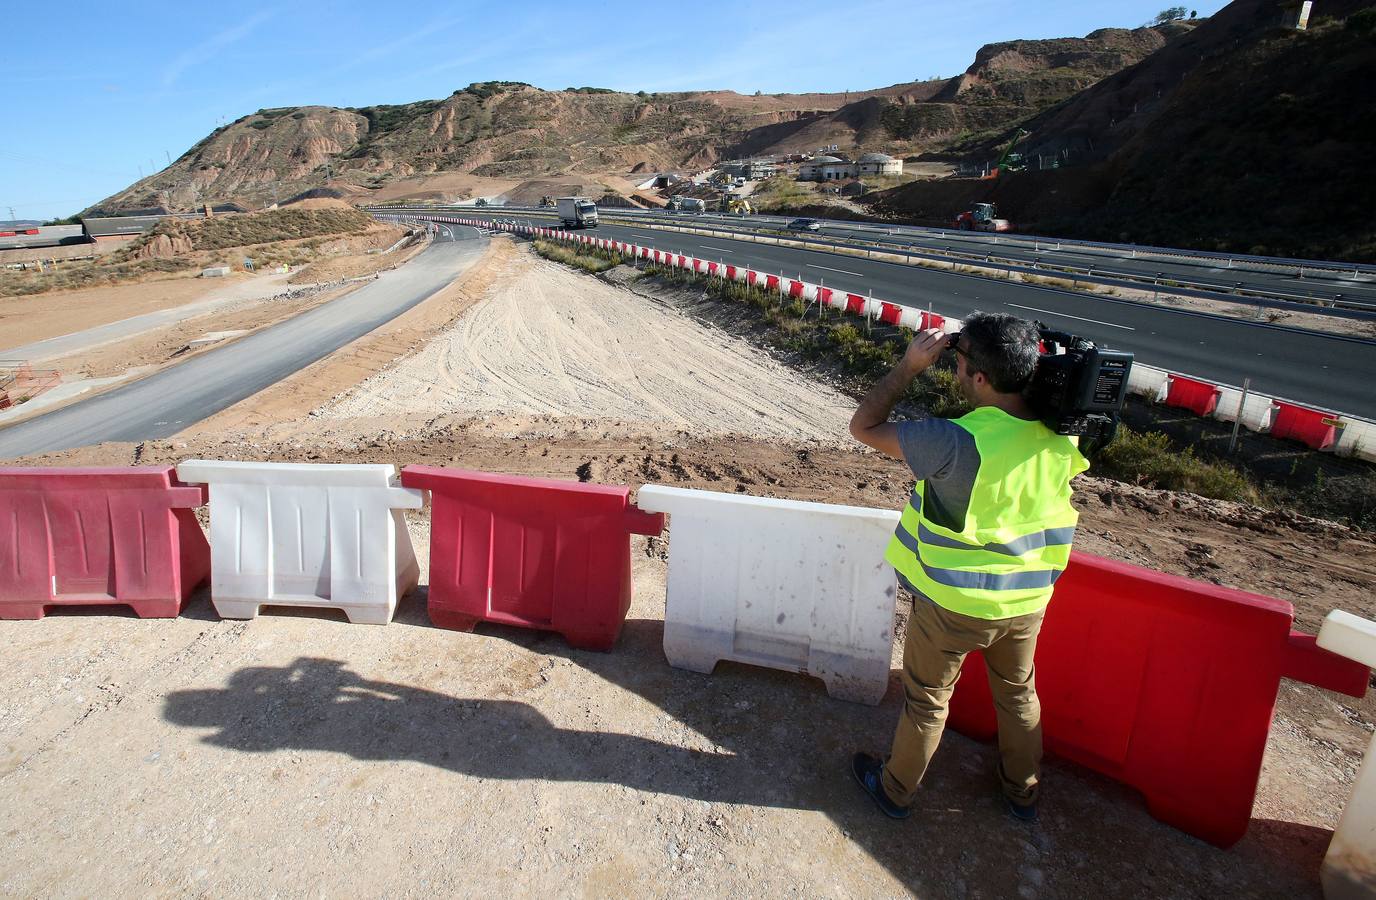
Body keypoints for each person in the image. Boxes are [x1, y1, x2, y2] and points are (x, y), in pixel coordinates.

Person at [846, 312, 1088, 823]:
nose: (955, 372)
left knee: (927, 701)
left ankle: (895, 791)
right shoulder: (1063, 436)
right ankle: (1022, 792)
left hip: (952, 607)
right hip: (1025, 603)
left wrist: (909, 366)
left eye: (959, 364)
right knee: (1019, 695)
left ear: (979, 378)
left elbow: (862, 426)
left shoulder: (954, 440)